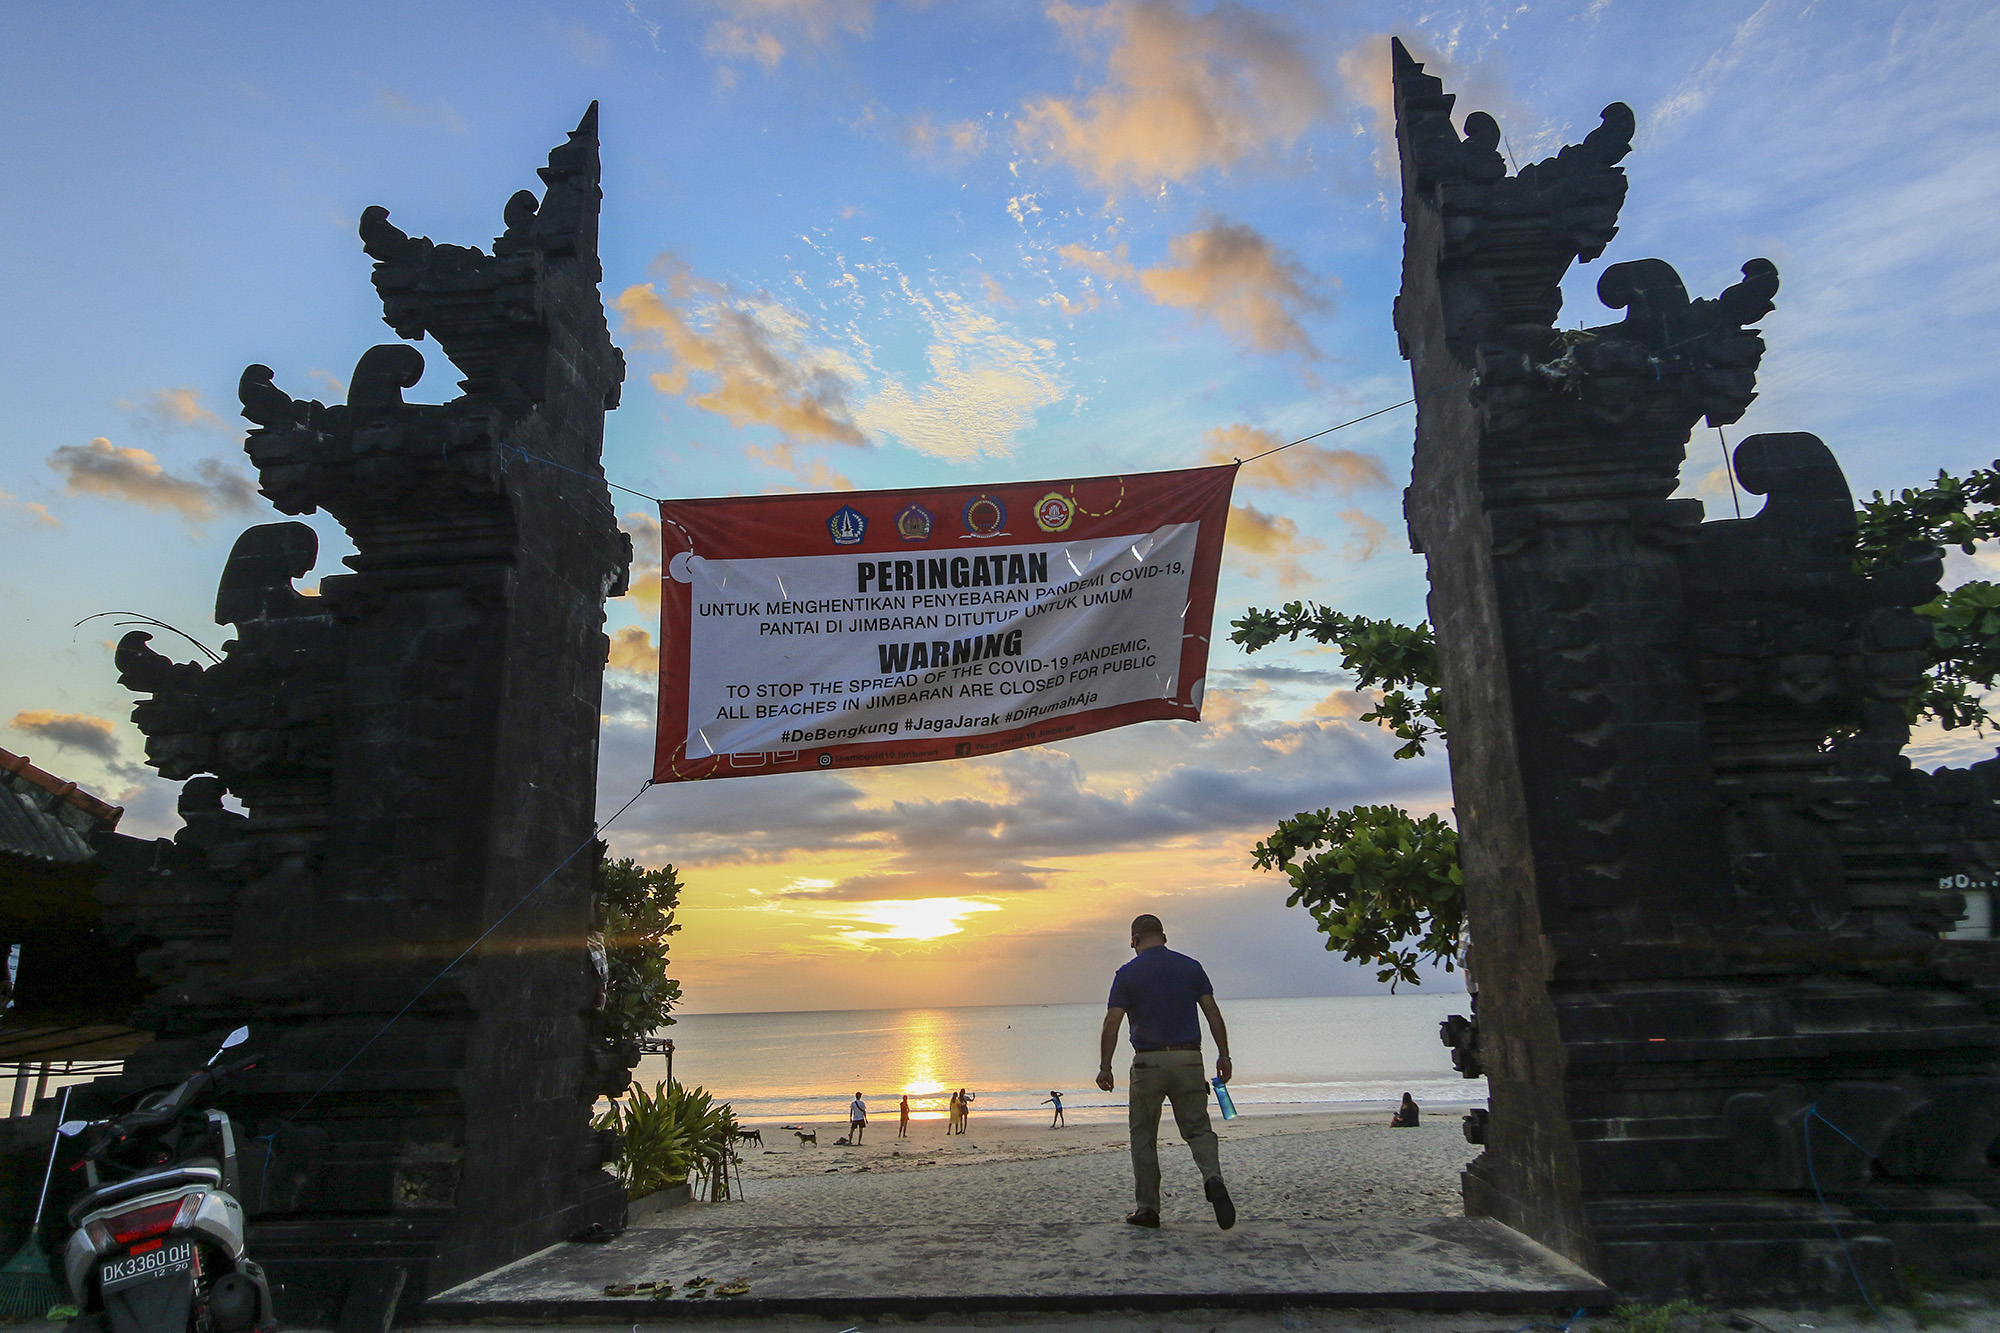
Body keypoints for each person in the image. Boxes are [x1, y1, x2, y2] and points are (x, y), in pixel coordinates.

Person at [1096, 913, 1235, 1230]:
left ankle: (1148, 1209)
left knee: (1143, 1136)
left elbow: (1112, 1022)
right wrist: (1224, 1055)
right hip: (1188, 1060)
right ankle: (1212, 1176)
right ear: (1164, 937)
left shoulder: (1127, 974)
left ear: (1134, 941)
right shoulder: (1191, 967)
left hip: (1148, 1063)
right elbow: (1213, 1015)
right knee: (1198, 1129)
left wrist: (1105, 1066)